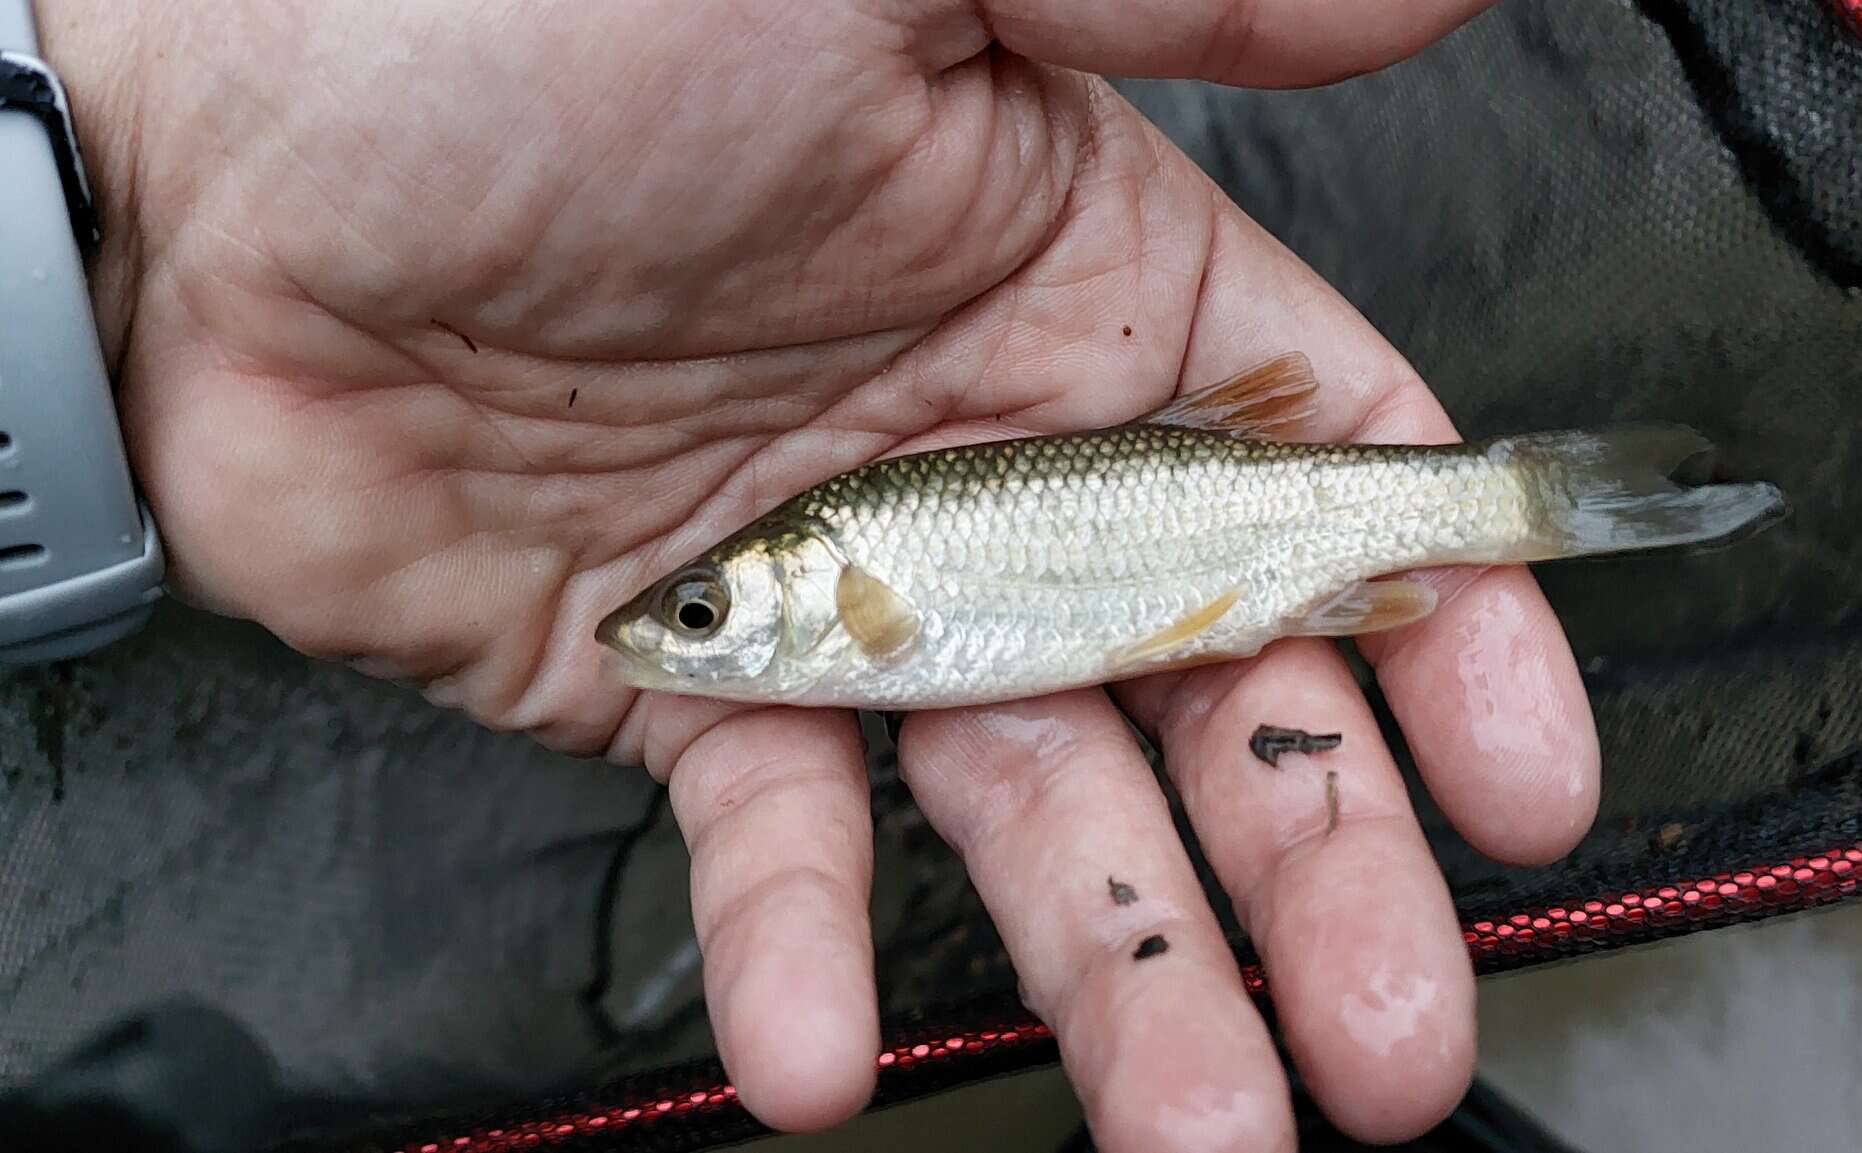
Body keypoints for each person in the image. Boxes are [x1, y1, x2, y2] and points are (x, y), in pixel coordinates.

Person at [39, 1, 1602, 1147]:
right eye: (698, 616)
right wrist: (148, 185)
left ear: (798, 589)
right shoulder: (846, 592)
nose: (675, 638)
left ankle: (1529, 496)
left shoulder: (868, 588)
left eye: (703, 614)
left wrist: (148, 164)